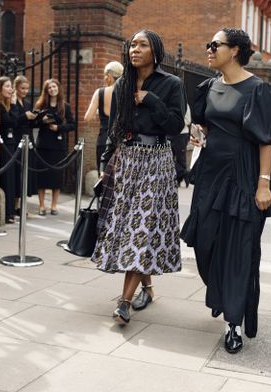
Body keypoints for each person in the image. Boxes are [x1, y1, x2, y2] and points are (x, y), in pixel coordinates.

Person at [181, 28, 271, 354]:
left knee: (239, 250)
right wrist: (205, 141)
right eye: (208, 44)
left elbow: (266, 140)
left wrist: (263, 183)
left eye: (216, 45)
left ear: (236, 50)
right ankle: (225, 295)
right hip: (211, 175)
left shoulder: (258, 90)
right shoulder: (208, 87)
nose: (209, 49)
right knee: (206, 242)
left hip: (245, 175)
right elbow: (209, 125)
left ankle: (233, 322)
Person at [92, 29, 186, 325]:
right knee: (132, 227)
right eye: (132, 45)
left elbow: (175, 125)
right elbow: (115, 128)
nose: (135, 49)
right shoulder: (123, 84)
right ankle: (147, 287)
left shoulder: (171, 84)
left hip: (156, 162)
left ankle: (123, 303)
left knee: (141, 227)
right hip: (127, 160)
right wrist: (105, 167)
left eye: (142, 45)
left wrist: (151, 100)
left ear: (155, 51)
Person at [34, 79, 75, 215]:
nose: (52, 89)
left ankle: (54, 206)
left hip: (58, 146)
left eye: (54, 86)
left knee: (56, 176)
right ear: (46, 91)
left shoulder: (65, 106)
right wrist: (42, 121)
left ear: (58, 88)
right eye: (49, 87)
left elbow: (72, 125)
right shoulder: (41, 104)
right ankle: (41, 206)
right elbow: (33, 123)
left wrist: (58, 127)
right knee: (42, 177)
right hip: (43, 145)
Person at [84, 61, 123, 174]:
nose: (105, 78)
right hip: (121, 139)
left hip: (104, 139)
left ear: (110, 77)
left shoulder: (100, 93)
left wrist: (98, 111)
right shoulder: (126, 92)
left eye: (105, 75)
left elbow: (87, 117)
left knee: (103, 177)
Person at [13, 75, 38, 215]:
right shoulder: (12, 102)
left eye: (27, 89)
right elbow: (13, 121)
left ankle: (22, 204)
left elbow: (31, 124)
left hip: (28, 140)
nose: (25, 91)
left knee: (26, 172)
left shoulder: (28, 104)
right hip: (17, 141)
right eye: (22, 88)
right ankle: (15, 205)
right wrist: (25, 117)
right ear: (16, 88)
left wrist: (36, 118)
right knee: (17, 171)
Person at [0, 76, 18, 223]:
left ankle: (10, 212)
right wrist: (14, 105)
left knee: (11, 178)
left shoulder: (8, 105)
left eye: (11, 86)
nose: (10, 89)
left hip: (11, 145)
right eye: (7, 86)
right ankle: (6, 213)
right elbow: (10, 121)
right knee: (5, 178)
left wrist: (12, 105)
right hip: (2, 145)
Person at [170, 104, 191, 186]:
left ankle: (184, 175)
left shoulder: (185, 105)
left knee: (181, 157)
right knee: (171, 156)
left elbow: (188, 120)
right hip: (171, 133)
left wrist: (177, 122)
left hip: (182, 133)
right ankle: (180, 176)